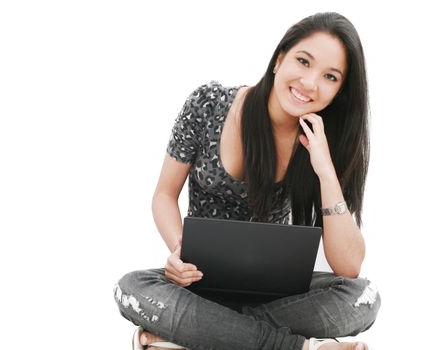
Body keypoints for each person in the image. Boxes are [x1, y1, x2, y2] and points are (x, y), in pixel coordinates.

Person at [113, 12, 381, 350]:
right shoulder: (208, 104)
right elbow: (164, 195)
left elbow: (349, 266)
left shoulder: (322, 141)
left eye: (330, 76)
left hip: (275, 292)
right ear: (279, 59)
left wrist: (325, 169)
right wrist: (179, 252)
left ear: (339, 91)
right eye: (303, 61)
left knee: (363, 298)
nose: (310, 83)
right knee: (131, 287)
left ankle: (192, 336)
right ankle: (300, 347)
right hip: (198, 281)